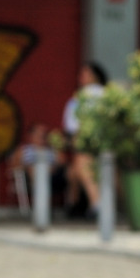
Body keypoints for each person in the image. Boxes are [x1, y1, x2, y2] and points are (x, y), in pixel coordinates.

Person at [59, 62, 104, 214]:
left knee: (81, 164)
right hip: (92, 145)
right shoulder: (84, 96)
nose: (81, 77)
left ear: (95, 76)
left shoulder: (89, 95)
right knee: (72, 172)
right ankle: (75, 205)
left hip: (93, 145)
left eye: (85, 73)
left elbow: (73, 126)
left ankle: (96, 204)